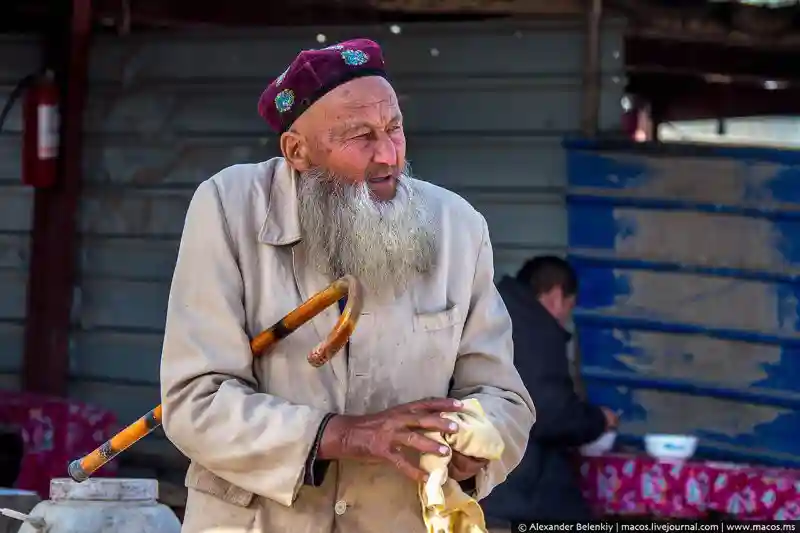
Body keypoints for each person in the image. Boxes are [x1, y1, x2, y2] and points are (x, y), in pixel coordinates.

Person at [159, 38, 535, 533]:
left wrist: (473, 447)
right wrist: (342, 435)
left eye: (394, 128)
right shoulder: (230, 208)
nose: (388, 156)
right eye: (360, 136)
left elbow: (504, 399)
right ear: (297, 151)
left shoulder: (458, 227)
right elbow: (194, 401)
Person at [481, 256, 618, 528]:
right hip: (516, 490)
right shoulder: (535, 331)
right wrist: (599, 420)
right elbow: (550, 412)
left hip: (481, 479)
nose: (565, 318)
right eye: (569, 307)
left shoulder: (494, 314)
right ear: (556, 296)